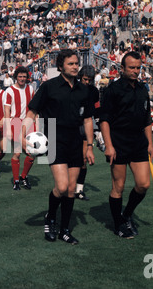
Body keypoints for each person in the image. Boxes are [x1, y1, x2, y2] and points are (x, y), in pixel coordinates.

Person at [24, 49, 95, 244]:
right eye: (71, 64)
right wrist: (22, 135)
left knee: (71, 189)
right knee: (62, 187)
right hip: (53, 137)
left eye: (76, 63)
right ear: (61, 65)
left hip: (75, 140)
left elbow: (88, 119)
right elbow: (32, 112)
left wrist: (89, 146)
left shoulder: (84, 89)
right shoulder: (49, 87)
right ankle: (50, 217)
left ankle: (65, 230)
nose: (75, 67)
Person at [100, 51, 153, 239]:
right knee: (119, 186)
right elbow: (104, 120)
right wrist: (109, 145)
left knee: (144, 184)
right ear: (122, 68)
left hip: (138, 142)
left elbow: (147, 119)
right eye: (131, 67)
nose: (136, 71)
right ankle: (118, 224)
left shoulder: (142, 89)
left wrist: (150, 144)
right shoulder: (112, 90)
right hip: (118, 141)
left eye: (138, 68)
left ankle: (127, 214)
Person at [4, 66, 35, 190]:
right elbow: (6, 110)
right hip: (15, 122)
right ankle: (16, 180)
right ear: (16, 77)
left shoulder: (31, 89)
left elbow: (33, 108)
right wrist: (7, 129)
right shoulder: (10, 91)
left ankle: (24, 176)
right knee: (17, 152)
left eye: (24, 76)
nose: (22, 79)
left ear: (27, 78)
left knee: (32, 153)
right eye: (20, 76)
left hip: (28, 123)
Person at [75, 65, 100, 201]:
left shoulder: (94, 91)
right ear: (80, 77)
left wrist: (99, 129)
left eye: (90, 80)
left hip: (86, 126)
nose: (87, 82)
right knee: (71, 159)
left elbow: (97, 110)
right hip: (72, 126)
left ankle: (79, 190)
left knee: (83, 159)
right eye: (85, 79)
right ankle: (67, 186)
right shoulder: (73, 88)